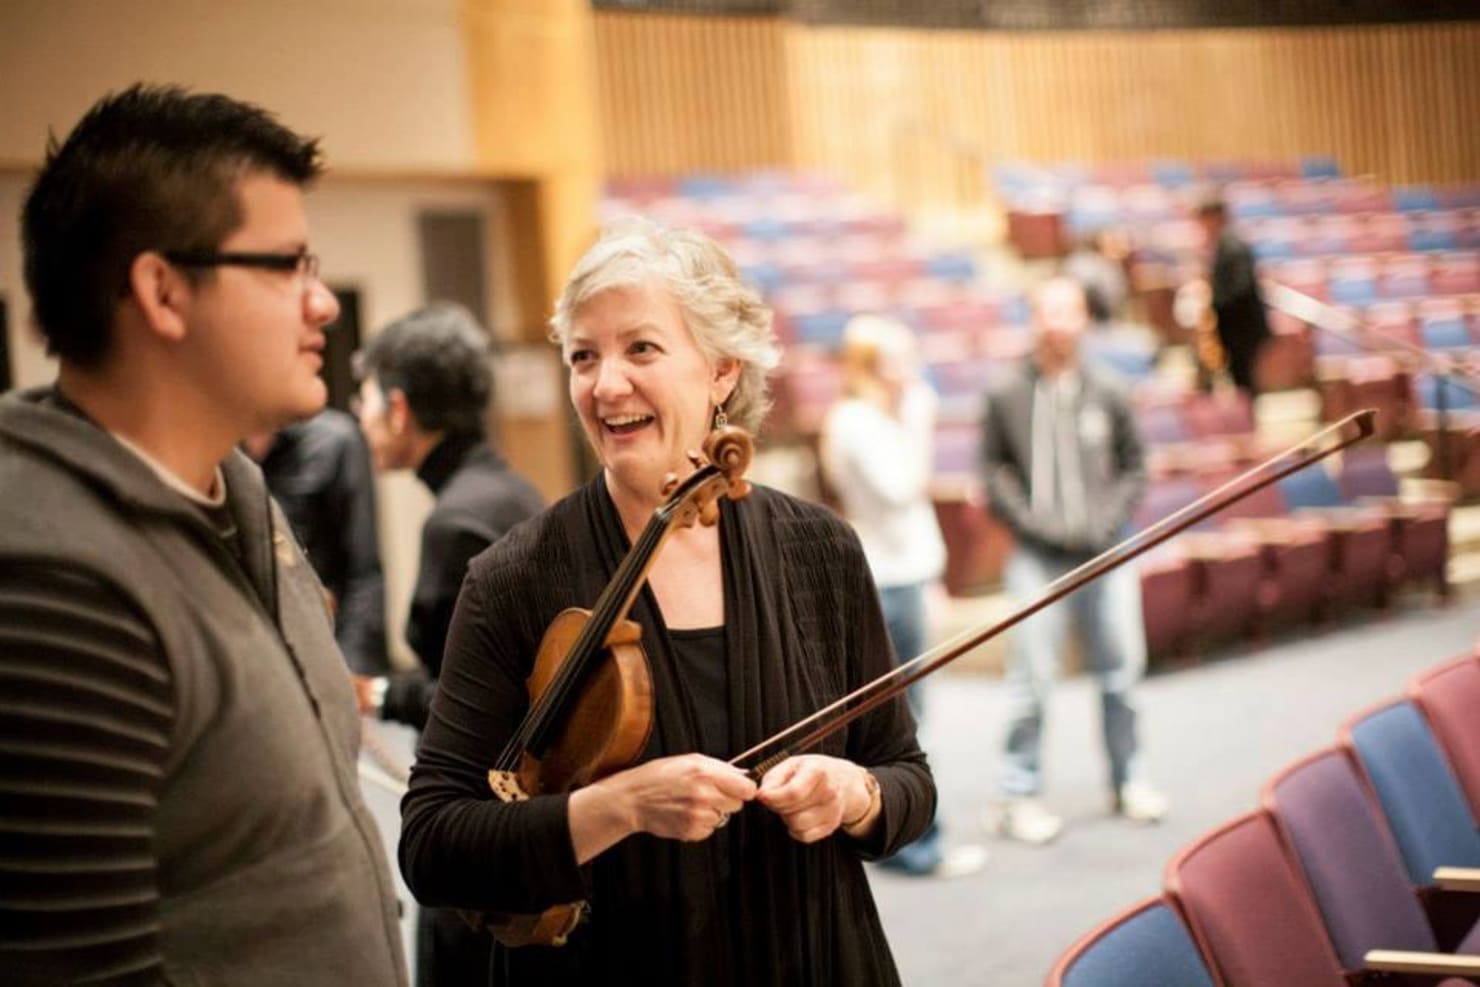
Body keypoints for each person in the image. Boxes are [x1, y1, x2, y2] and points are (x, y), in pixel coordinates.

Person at [399, 222, 936, 986]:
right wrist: (616, 806)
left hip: (816, 957)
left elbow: (906, 778)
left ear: (722, 370)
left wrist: (856, 795)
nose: (604, 383)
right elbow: (432, 843)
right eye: (584, 355)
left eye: (640, 348)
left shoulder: (821, 550)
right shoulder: (514, 577)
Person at [0, 85, 407, 984]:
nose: (324, 304)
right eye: (288, 264)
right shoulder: (54, 576)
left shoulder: (238, 496)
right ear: (163, 290)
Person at [352, 302, 545, 986]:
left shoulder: (457, 521)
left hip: (485, 828)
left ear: (399, 407)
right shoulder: (508, 489)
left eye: (366, 394)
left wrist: (375, 692)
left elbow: (475, 705)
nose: (359, 409)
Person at [978, 277, 1167, 845]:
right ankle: (1020, 793)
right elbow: (993, 474)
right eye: (1046, 311)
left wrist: (1104, 522)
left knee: (1121, 676)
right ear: (1033, 320)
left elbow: (1135, 467)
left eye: (1068, 311)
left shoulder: (1109, 388)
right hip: (1036, 557)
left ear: (1085, 319)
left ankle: (1128, 778)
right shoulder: (1005, 392)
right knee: (1030, 681)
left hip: (1106, 553)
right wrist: (1037, 525)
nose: (1057, 322)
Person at [819, 313, 986, 879]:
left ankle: (909, 838)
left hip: (906, 576)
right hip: (886, 584)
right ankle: (916, 845)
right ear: (869, 365)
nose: (911, 370)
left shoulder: (878, 416)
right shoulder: (857, 421)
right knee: (908, 724)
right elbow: (899, 491)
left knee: (914, 715)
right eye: (899, 358)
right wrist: (918, 423)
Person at [246, 407, 391, 674]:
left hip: (329, 648)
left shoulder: (335, 440)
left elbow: (364, 571)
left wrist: (354, 678)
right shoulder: (216, 452)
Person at [1195, 194, 1271, 398]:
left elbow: (1240, 287)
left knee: (1244, 379)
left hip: (1241, 327)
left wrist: (1213, 301)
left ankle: (1248, 423)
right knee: (1241, 379)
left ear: (1215, 216)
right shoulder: (1226, 242)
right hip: (1238, 326)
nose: (1202, 226)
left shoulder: (1232, 245)